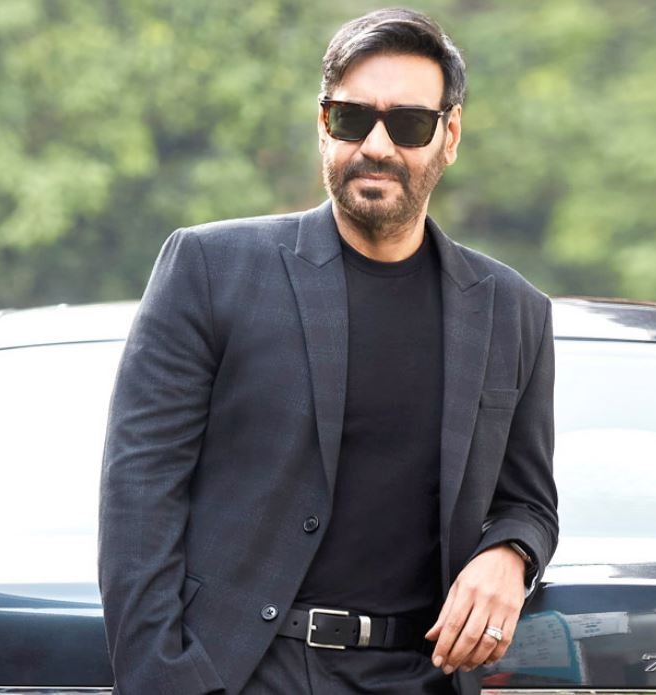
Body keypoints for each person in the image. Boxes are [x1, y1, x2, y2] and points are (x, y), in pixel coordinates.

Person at [98, 8, 558, 694]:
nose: (376, 145)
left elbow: (529, 502)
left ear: (450, 134)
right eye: (351, 119)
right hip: (245, 675)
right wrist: (168, 680)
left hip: (423, 674)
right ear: (323, 124)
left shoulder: (513, 310)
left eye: (408, 124)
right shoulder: (209, 267)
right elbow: (140, 490)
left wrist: (511, 554)